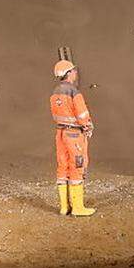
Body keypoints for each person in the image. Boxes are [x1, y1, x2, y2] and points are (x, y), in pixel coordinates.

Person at [49, 59, 96, 216]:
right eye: (73, 70)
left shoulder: (55, 92)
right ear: (68, 74)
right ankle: (77, 207)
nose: (76, 73)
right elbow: (82, 114)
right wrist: (88, 127)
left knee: (63, 167)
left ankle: (64, 207)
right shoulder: (74, 92)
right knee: (77, 166)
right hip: (74, 135)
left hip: (60, 133)